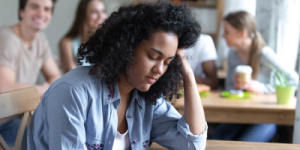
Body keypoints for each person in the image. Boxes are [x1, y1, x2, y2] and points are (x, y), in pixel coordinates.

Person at [27, 2, 208, 150]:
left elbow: (193, 144)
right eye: (153, 57)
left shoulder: (145, 99)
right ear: (126, 48)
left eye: (168, 62)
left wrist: (187, 73)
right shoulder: (72, 93)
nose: (159, 70)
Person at [212, 11, 298, 142]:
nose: (223, 36)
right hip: (239, 114)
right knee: (215, 139)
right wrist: (235, 88)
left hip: (267, 117)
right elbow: (229, 88)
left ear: (242, 33)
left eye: (227, 32)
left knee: (245, 144)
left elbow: (295, 80)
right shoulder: (232, 54)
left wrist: (262, 88)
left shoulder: (264, 54)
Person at [0, 0, 61, 147]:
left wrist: (46, 88)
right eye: (34, 7)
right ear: (22, 12)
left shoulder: (40, 40)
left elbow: (56, 79)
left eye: (47, 9)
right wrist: (42, 89)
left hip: (12, 120)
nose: (41, 13)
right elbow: (4, 88)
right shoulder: (7, 38)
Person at [59, 0, 107, 72]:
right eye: (94, 12)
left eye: (103, 11)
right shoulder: (68, 42)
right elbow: (72, 73)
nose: (101, 16)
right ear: (83, 15)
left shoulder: (109, 41)